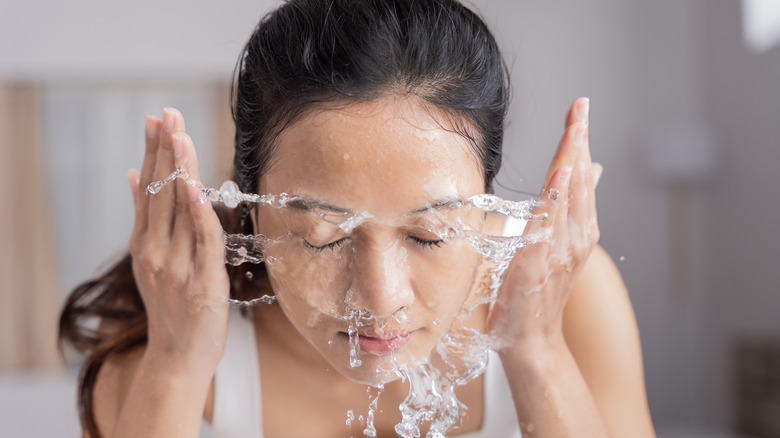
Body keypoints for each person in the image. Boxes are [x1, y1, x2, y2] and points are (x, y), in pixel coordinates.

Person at [59, 0, 656, 437]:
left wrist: (536, 347)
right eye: (323, 238)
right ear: (254, 208)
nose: (380, 297)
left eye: (430, 234)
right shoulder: (160, 349)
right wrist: (176, 363)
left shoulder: (568, 293)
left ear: (484, 195)